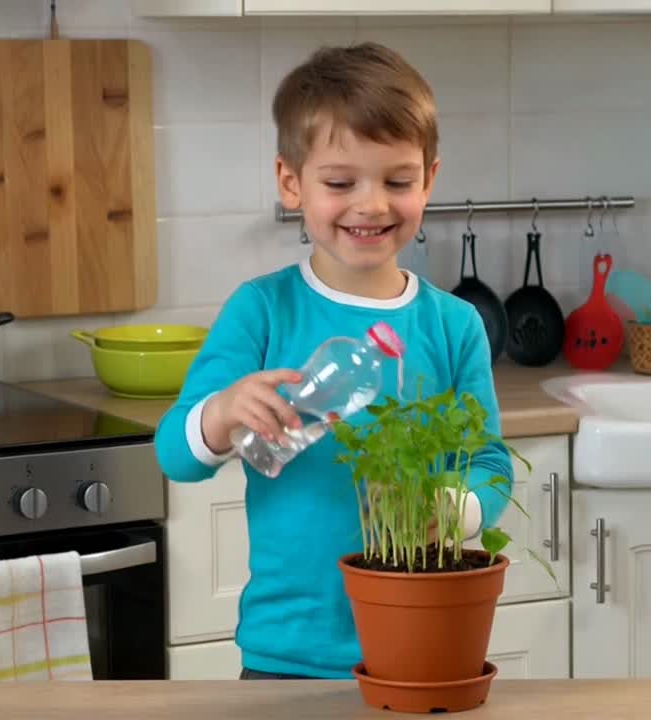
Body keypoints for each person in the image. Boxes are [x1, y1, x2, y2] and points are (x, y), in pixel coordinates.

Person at [153, 42, 513, 680]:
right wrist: (221, 414)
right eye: (341, 182)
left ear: (429, 179)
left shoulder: (454, 325)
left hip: (424, 646)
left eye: (398, 182)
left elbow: (488, 462)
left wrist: (460, 508)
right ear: (291, 182)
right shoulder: (262, 310)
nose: (371, 205)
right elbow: (175, 458)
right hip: (286, 651)